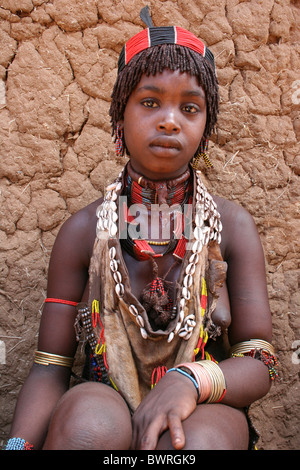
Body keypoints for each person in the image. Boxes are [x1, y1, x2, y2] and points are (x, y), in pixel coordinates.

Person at [4, 7, 278, 451]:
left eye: (190, 107)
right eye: (150, 102)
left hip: (203, 407)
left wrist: (188, 380)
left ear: (205, 126)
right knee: (87, 428)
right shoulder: (83, 232)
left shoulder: (231, 228)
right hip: (104, 400)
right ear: (120, 116)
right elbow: (50, 365)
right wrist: (17, 447)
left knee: (192, 444)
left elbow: (261, 361)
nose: (170, 120)